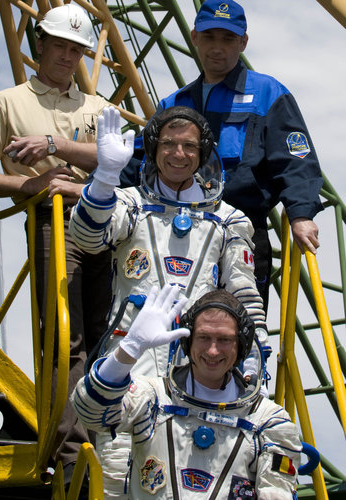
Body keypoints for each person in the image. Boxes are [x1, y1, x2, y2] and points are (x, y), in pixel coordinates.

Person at [69, 104, 271, 497]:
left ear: (203, 152)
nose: (178, 154)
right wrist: (105, 177)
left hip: (200, 358)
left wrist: (256, 351)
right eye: (169, 144)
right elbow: (87, 237)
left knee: (188, 467)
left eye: (189, 146)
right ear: (154, 148)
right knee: (116, 461)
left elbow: (243, 294)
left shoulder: (228, 220)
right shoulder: (130, 203)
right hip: (133, 347)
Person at [0, 3, 112, 486]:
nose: (68, 56)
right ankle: (74, 451)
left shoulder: (101, 109)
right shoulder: (7, 104)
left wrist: (57, 148)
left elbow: (125, 163)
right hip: (55, 223)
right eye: (60, 45)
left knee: (110, 334)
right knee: (65, 340)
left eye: (77, 49)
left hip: (109, 225)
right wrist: (25, 188)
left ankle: (107, 441)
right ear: (41, 46)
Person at [121, 0, 323, 311]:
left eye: (228, 39)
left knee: (237, 332)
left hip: (241, 232)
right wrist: (94, 191)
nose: (218, 48)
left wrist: (301, 214)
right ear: (194, 38)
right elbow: (136, 161)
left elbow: (296, 160)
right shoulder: (176, 103)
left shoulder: (269, 94)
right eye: (210, 37)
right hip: (170, 235)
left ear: (243, 42)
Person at [71, 284, 302, 499]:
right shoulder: (153, 398)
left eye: (224, 340)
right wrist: (129, 348)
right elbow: (91, 412)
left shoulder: (269, 423)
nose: (212, 351)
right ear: (187, 341)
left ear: (241, 345)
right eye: (203, 337)